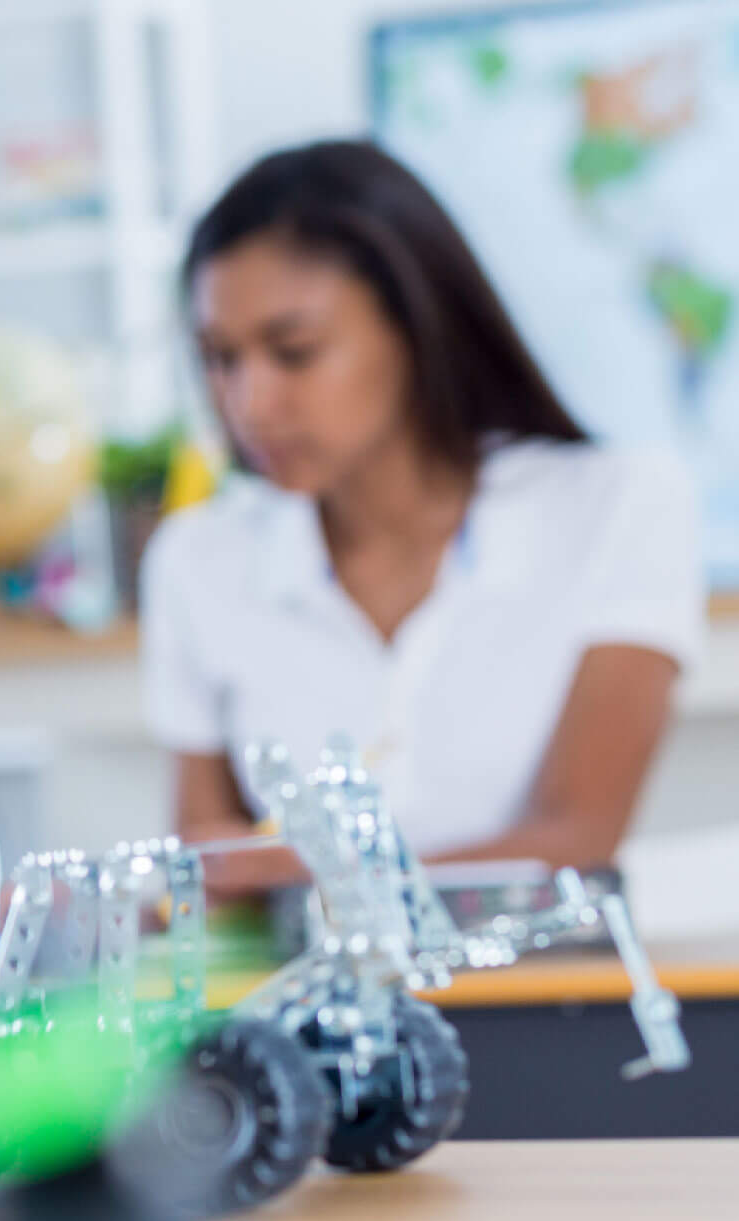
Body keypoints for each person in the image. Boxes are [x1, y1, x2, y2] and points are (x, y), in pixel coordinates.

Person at [143, 140, 704, 896]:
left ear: (415, 326)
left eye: (294, 351)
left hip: (532, 1000)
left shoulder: (618, 505)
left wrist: (301, 873)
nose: (249, 403)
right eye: (220, 358)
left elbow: (574, 842)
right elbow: (205, 882)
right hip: (306, 1009)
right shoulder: (196, 557)